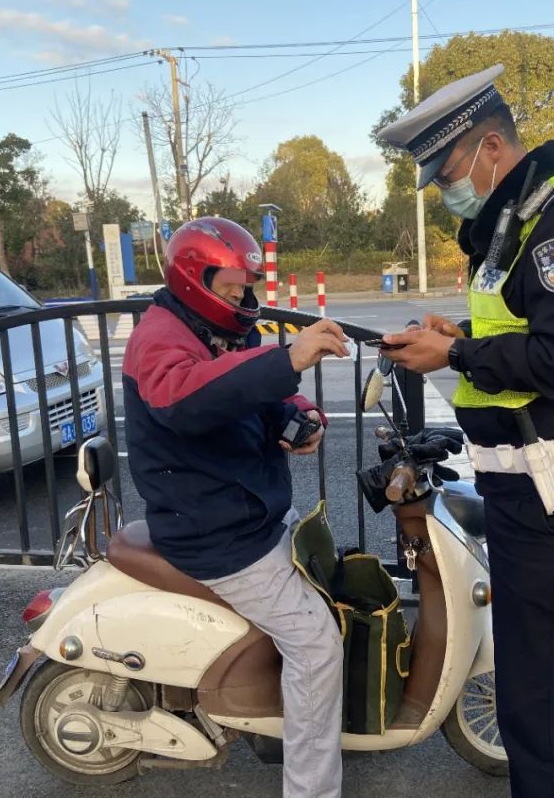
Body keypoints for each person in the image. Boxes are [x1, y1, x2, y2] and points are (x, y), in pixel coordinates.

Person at [375, 65, 554, 798]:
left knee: (542, 696)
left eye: (448, 173)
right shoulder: (510, 222)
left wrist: (456, 356)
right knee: (530, 681)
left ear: (492, 147)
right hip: (524, 485)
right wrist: (457, 334)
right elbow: (523, 322)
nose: (446, 190)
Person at [122, 217, 349, 798]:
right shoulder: (159, 337)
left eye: (248, 285)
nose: (243, 296)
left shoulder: (223, 325)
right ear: (193, 276)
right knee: (317, 645)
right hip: (214, 531)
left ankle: (283, 721)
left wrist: (302, 416)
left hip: (247, 514)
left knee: (332, 594)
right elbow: (188, 398)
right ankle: (311, 791)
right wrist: (288, 359)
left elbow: (258, 390)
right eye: (231, 284)